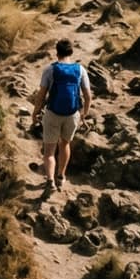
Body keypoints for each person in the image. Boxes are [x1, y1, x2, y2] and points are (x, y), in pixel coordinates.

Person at [30, 37, 93, 193]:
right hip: (72, 114)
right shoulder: (80, 70)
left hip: (52, 113)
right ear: (71, 52)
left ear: (56, 52)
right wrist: (84, 114)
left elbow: (41, 95)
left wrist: (35, 112)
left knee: (49, 151)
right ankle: (61, 177)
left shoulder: (50, 70)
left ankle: (50, 181)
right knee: (64, 144)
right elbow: (87, 96)